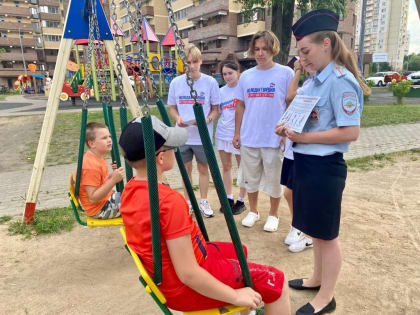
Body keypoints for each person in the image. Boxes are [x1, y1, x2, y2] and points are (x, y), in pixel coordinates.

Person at [118, 115, 291, 315]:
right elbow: (188, 274)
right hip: (185, 288)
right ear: (161, 158)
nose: (177, 151)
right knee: (276, 281)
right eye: (173, 147)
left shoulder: (130, 190)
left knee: (239, 251)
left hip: (171, 275)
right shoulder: (168, 202)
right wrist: (234, 296)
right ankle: (242, 299)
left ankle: (246, 309)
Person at [275, 9, 370, 315]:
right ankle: (317, 278)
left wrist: (302, 138)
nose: (302, 59)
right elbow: (302, 116)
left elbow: (350, 131)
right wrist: (285, 126)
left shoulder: (341, 82)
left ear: (326, 43)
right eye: (300, 53)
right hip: (305, 164)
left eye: (306, 51)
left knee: (326, 236)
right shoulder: (315, 81)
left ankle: (326, 296)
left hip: (324, 168)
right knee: (314, 230)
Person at [233, 30, 294, 232]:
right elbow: (240, 105)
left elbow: (290, 104)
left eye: (264, 49)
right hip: (250, 137)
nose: (260, 53)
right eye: (257, 49)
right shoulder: (246, 76)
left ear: (273, 49)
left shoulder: (286, 73)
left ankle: (273, 215)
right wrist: (237, 133)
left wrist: (286, 132)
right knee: (250, 179)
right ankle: (253, 211)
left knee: (274, 180)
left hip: (274, 138)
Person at [168, 44, 220, 218]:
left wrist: (207, 119)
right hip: (183, 135)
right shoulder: (176, 83)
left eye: (195, 62)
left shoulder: (210, 82)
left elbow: (215, 108)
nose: (192, 66)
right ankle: (188, 201)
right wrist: (178, 119)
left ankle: (203, 201)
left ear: (201, 61)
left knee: (203, 169)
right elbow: (172, 107)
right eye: (188, 62)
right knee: (186, 170)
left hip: (201, 136)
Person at [282, 59, 315, 253]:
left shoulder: (315, 84)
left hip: (305, 147)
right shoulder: (309, 83)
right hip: (293, 147)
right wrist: (298, 73)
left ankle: (306, 232)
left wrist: (297, 72)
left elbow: (290, 98)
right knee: (290, 192)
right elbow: (289, 99)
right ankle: (299, 227)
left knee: (299, 193)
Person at [215, 57, 247, 215]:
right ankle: (228, 198)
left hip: (240, 134)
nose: (227, 76)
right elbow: (218, 112)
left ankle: (241, 200)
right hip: (223, 133)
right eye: (224, 74)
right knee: (226, 166)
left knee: (243, 168)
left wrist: (240, 132)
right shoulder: (220, 92)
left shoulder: (244, 88)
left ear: (238, 72)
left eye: (230, 73)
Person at [73, 122, 124, 219]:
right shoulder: (90, 166)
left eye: (109, 136)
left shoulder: (98, 156)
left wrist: (112, 176)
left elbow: (100, 183)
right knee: (139, 203)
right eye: (104, 138)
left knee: (136, 194)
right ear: (92, 143)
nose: (109, 140)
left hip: (105, 201)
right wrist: (113, 180)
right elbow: (93, 198)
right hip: (100, 209)